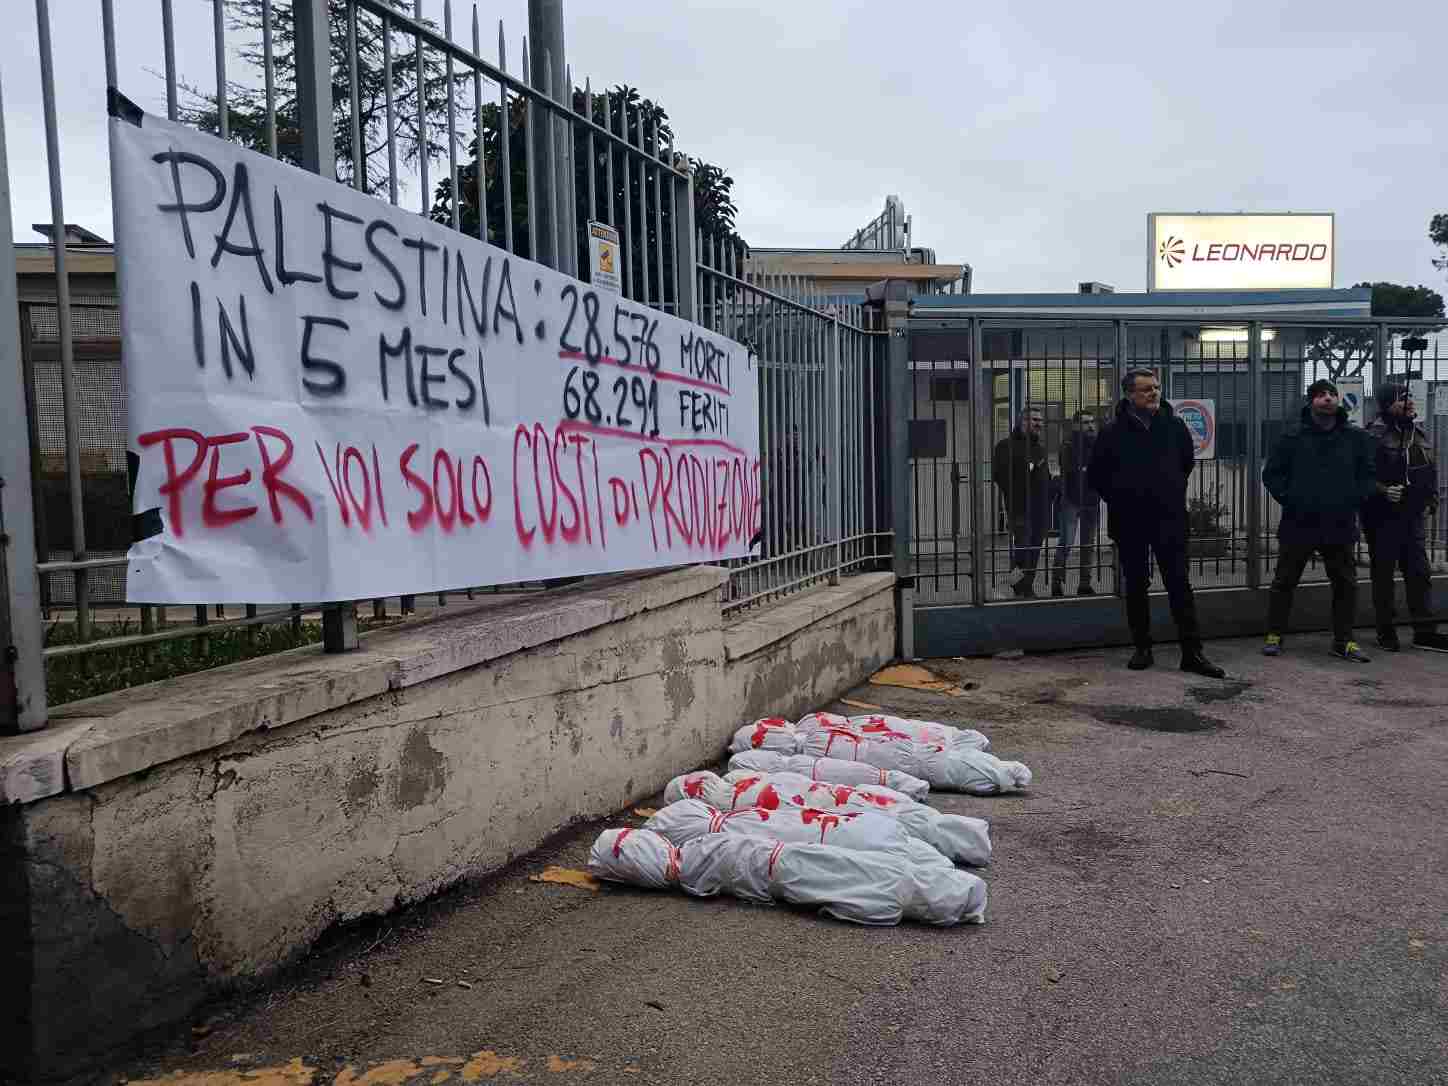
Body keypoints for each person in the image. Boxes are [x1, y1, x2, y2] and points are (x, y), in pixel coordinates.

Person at [1087, 368, 1225, 677]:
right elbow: (1097, 475)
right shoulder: (1112, 432)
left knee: (1179, 585)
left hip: (1169, 519)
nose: (1154, 393)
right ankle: (1143, 647)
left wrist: (1168, 490)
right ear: (1129, 395)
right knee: (1136, 585)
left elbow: (1185, 464)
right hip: (1130, 521)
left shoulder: (1174, 427)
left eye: (1156, 388)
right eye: (1146, 389)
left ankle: (1192, 653)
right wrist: (1123, 499)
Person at [1260, 380, 1377, 661]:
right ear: (1310, 401)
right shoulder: (1292, 437)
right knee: (1284, 582)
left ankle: (1344, 640)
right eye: (1321, 395)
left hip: (1339, 523)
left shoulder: (1356, 438)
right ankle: (1274, 635)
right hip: (1299, 522)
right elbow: (1272, 474)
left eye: (1332, 394)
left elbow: (1368, 475)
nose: (1328, 399)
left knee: (1345, 584)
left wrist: (1353, 499)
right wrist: (1293, 499)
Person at [1361, 382, 1448, 652]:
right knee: (1384, 574)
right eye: (1402, 398)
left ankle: (1424, 631)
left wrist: (1432, 496)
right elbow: (1360, 475)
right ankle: (1385, 630)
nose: (1409, 402)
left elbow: (1429, 467)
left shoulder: (1417, 433)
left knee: (1419, 572)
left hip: (1412, 516)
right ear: (1387, 404)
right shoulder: (1374, 435)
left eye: (1410, 397)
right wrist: (1384, 491)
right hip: (1382, 517)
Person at [992, 407, 1052, 598]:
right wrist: (1031, 468)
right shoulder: (1005, 446)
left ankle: (1026, 585)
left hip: (1041, 510)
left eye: (1040, 420)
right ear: (1022, 422)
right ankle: (1015, 584)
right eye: (1034, 420)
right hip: (1020, 509)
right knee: (1023, 552)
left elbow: (1044, 477)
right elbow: (1001, 476)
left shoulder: (1039, 447)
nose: (1039, 424)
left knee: (1033, 552)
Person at [1052, 409, 1101, 597]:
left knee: (1088, 545)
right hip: (1071, 499)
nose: (1090, 426)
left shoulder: (1096, 444)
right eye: (1086, 423)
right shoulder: (1068, 444)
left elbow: (1098, 468)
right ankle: (1056, 583)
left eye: (1092, 422)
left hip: (1091, 499)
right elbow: (1071, 468)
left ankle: (1084, 584)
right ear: (1075, 425)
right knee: (1066, 543)